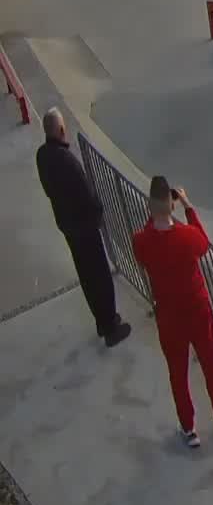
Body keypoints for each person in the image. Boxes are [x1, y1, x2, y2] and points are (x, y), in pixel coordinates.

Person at [132, 176, 213, 448]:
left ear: (149, 206)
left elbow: (145, 247)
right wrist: (187, 208)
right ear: (172, 204)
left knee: (177, 373)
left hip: (168, 315)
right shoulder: (187, 236)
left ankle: (189, 428)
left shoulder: (141, 241)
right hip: (196, 309)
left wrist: (155, 218)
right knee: (210, 364)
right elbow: (203, 243)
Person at [36, 108, 132, 348]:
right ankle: (110, 325)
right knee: (99, 274)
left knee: (87, 276)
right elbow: (86, 193)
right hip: (84, 227)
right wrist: (98, 214)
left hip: (68, 226)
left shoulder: (42, 155)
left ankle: (102, 322)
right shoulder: (67, 160)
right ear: (60, 130)